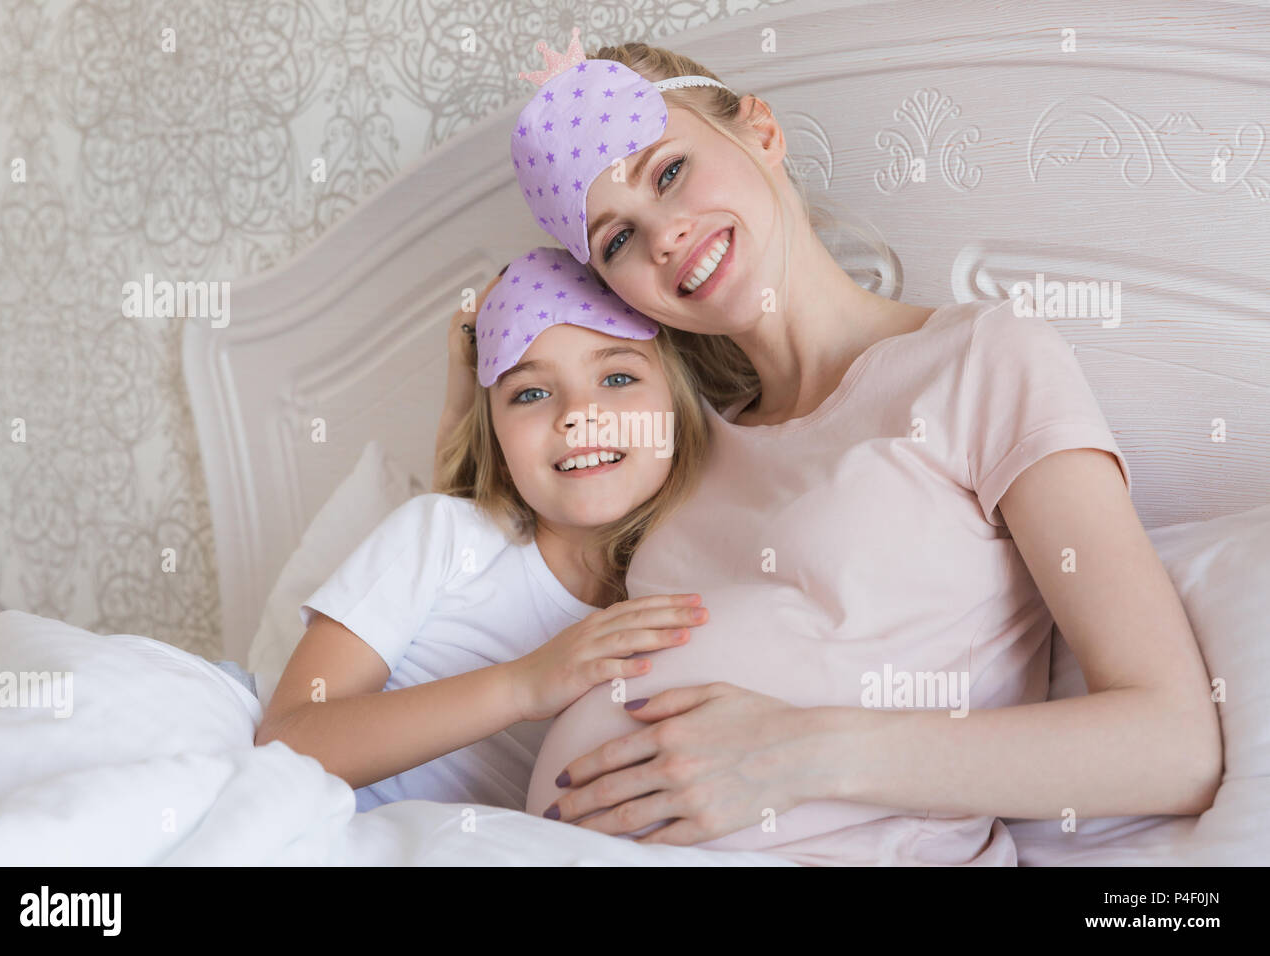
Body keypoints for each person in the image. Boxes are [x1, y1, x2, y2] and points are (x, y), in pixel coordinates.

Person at [433, 31, 1223, 864]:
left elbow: (1174, 744)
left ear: (762, 133)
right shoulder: (674, 446)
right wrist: (468, 394)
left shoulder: (981, 360)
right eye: (618, 240)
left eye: (668, 172)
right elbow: (475, 587)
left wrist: (802, 754)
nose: (662, 235)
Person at [252, 246, 715, 815]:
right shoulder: (442, 537)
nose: (578, 413)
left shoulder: (702, 589)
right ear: (496, 439)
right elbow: (287, 738)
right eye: (531, 393)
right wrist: (522, 686)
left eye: (617, 377)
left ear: (679, 407)